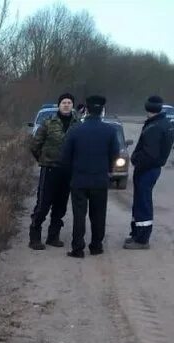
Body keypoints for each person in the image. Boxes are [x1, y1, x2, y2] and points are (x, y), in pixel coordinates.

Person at [61, 95, 120, 258]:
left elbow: (65, 156)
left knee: (79, 215)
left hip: (79, 179)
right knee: (98, 214)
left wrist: (70, 174)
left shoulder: (75, 130)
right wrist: (107, 169)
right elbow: (115, 154)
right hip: (100, 179)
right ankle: (96, 246)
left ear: (86, 110)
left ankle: (78, 248)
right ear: (101, 110)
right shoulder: (110, 131)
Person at [28, 93, 81, 250]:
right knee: (43, 204)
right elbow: (35, 145)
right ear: (59, 105)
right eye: (63, 102)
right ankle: (35, 236)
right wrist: (43, 160)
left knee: (60, 206)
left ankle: (53, 236)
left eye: (69, 102)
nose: (66, 105)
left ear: (72, 105)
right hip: (50, 168)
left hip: (68, 171)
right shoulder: (48, 122)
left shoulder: (77, 124)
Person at [124, 96, 174, 249]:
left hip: (147, 170)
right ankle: (137, 234)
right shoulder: (163, 123)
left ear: (147, 108)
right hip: (152, 169)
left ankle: (141, 239)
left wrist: (136, 161)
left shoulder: (155, 127)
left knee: (143, 203)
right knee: (141, 201)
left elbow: (150, 154)